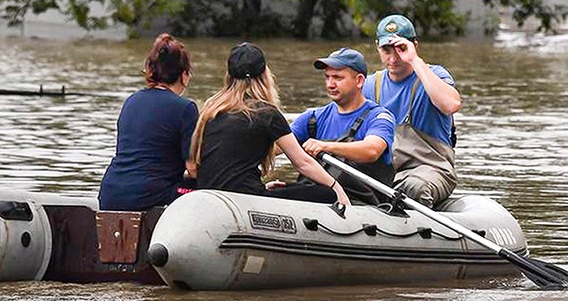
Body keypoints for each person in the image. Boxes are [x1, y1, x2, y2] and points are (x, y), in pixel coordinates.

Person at [191, 42, 351, 206]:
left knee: (282, 187)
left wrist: (263, 188)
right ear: (264, 75)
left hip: (210, 195)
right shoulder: (266, 113)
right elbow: (303, 163)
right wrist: (337, 189)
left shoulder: (211, 109)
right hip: (245, 198)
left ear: (229, 75)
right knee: (326, 194)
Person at [364, 14, 461, 207]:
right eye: (386, 50)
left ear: (414, 46)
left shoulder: (434, 75)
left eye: (400, 49)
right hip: (386, 174)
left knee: (413, 188)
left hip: (430, 170)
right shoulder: (369, 85)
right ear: (377, 47)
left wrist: (415, 61)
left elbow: (451, 105)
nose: (393, 58)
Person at [278, 47, 396, 205]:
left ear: (359, 81)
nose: (330, 84)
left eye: (337, 78)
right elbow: (275, 147)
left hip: (362, 203)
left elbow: (372, 150)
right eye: (327, 77)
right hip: (318, 197)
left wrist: (325, 146)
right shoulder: (313, 118)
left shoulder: (379, 116)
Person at [98, 33, 199, 211]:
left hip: (110, 192)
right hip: (149, 196)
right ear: (184, 75)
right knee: (207, 190)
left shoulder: (131, 101)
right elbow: (193, 168)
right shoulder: (185, 109)